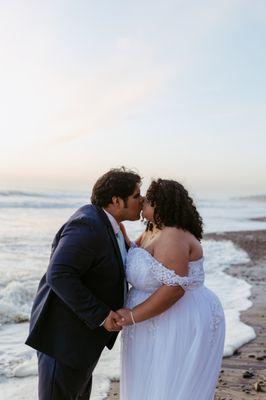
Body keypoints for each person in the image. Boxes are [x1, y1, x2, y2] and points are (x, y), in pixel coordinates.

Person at [25, 167, 143, 400]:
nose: (142, 201)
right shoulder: (87, 225)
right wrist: (101, 315)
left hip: (81, 341)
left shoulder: (109, 225)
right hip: (62, 341)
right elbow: (58, 273)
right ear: (116, 201)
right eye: (137, 196)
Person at [118, 179, 225, 400]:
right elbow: (139, 255)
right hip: (153, 317)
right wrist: (120, 234)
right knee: (149, 380)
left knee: (167, 384)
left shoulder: (173, 236)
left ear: (159, 205)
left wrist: (132, 316)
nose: (141, 203)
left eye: (146, 200)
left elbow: (175, 289)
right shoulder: (152, 230)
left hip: (177, 317)